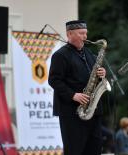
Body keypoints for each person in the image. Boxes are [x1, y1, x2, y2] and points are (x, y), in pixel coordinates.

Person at [48, 20, 106, 155]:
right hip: (71, 112)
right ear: (69, 34)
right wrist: (73, 95)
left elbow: (94, 77)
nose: (85, 37)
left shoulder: (90, 54)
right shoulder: (60, 55)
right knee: (75, 150)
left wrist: (102, 74)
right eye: (81, 33)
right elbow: (54, 80)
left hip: (93, 111)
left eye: (85, 33)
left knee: (94, 149)